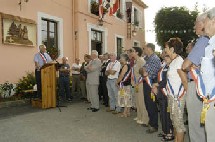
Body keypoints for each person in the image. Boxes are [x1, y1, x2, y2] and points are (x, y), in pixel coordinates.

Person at [181, 13, 209, 142]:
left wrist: (189, 64)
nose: (194, 26)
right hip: (204, 85)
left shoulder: (203, 40)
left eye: (196, 23)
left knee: (196, 123)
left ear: (203, 23)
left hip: (197, 84)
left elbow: (185, 65)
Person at [164, 38, 188, 142]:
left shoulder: (179, 61)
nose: (165, 49)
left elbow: (184, 81)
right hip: (172, 96)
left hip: (177, 97)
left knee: (179, 124)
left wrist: (184, 98)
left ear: (172, 49)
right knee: (174, 121)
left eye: (166, 47)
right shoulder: (174, 61)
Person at [199, 7, 215, 142]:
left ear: (214, 21)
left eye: (205, 21)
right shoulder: (210, 44)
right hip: (210, 99)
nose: (203, 26)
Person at [152, 55, 174, 141]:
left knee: (167, 114)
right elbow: (159, 77)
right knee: (162, 113)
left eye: (167, 57)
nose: (165, 58)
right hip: (161, 92)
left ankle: (170, 133)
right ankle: (165, 131)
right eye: (165, 57)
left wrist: (157, 85)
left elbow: (168, 80)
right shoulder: (164, 65)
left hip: (167, 92)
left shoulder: (172, 67)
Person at [141, 43, 161, 133]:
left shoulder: (154, 59)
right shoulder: (147, 58)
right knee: (148, 104)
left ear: (149, 49)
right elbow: (141, 70)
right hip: (147, 83)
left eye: (144, 48)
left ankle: (154, 125)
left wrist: (144, 70)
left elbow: (148, 73)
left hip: (151, 84)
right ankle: (151, 122)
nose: (143, 50)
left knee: (151, 104)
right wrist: (143, 70)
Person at [128, 47, 149, 125]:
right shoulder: (136, 61)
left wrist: (138, 81)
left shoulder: (141, 60)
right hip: (136, 84)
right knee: (137, 101)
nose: (131, 53)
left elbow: (144, 72)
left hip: (140, 83)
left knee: (141, 101)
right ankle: (139, 116)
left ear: (137, 52)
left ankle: (144, 119)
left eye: (132, 51)